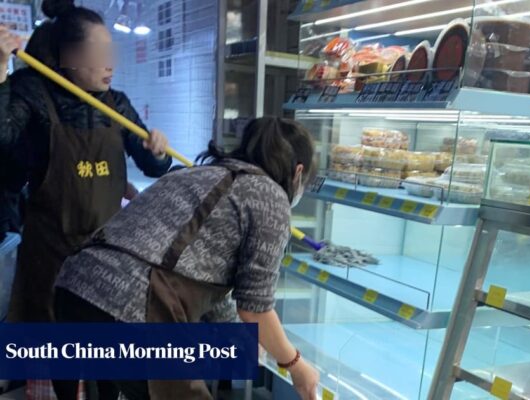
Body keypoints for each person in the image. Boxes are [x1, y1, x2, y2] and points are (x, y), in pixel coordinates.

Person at [54, 117, 320, 400]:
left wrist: (240, 338)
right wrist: (296, 365)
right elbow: (255, 309)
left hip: (74, 287)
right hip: (133, 309)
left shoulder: (192, 175)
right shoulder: (270, 197)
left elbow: (199, 275)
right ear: (298, 171)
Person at [0, 0, 172, 327]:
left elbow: (151, 166)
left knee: (100, 356)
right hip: (49, 256)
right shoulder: (34, 92)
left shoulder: (116, 104)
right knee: (54, 355)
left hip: (105, 257)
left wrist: (158, 152)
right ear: (70, 56)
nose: (110, 64)